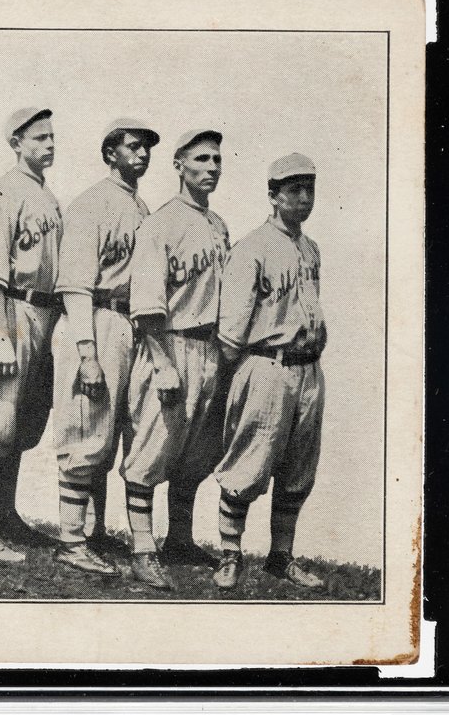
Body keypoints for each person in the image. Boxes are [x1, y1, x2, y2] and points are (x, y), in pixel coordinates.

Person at [119, 129, 231, 590]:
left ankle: (179, 539)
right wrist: (162, 362)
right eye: (200, 159)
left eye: (217, 160)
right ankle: (142, 548)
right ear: (179, 166)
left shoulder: (219, 224)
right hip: (169, 343)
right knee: (151, 450)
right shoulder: (161, 223)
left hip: (210, 349)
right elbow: (146, 302)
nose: (211, 167)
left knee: (196, 454)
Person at [211, 153, 328, 592]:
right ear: (273, 195)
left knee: (299, 469)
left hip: (308, 370)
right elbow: (230, 331)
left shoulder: (311, 248)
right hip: (267, 366)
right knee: (247, 466)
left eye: (309, 189)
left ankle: (281, 558)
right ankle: (229, 554)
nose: (303, 197)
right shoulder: (251, 247)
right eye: (293, 189)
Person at [50, 118, 159, 575]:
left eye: (147, 148)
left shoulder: (141, 206)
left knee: (109, 435)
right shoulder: (90, 204)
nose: (142, 154)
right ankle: (70, 540)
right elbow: (75, 284)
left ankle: (90, 532)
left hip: (126, 321)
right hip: (92, 319)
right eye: (133, 147)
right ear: (109, 152)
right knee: (84, 431)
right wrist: (87, 354)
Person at [0, 106, 62, 563]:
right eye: (38, 138)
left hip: (42, 313)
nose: (49, 144)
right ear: (16, 143)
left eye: (51, 137)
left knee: (21, 422)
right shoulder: (4, 192)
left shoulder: (49, 197)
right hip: (11, 309)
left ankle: (4, 513)